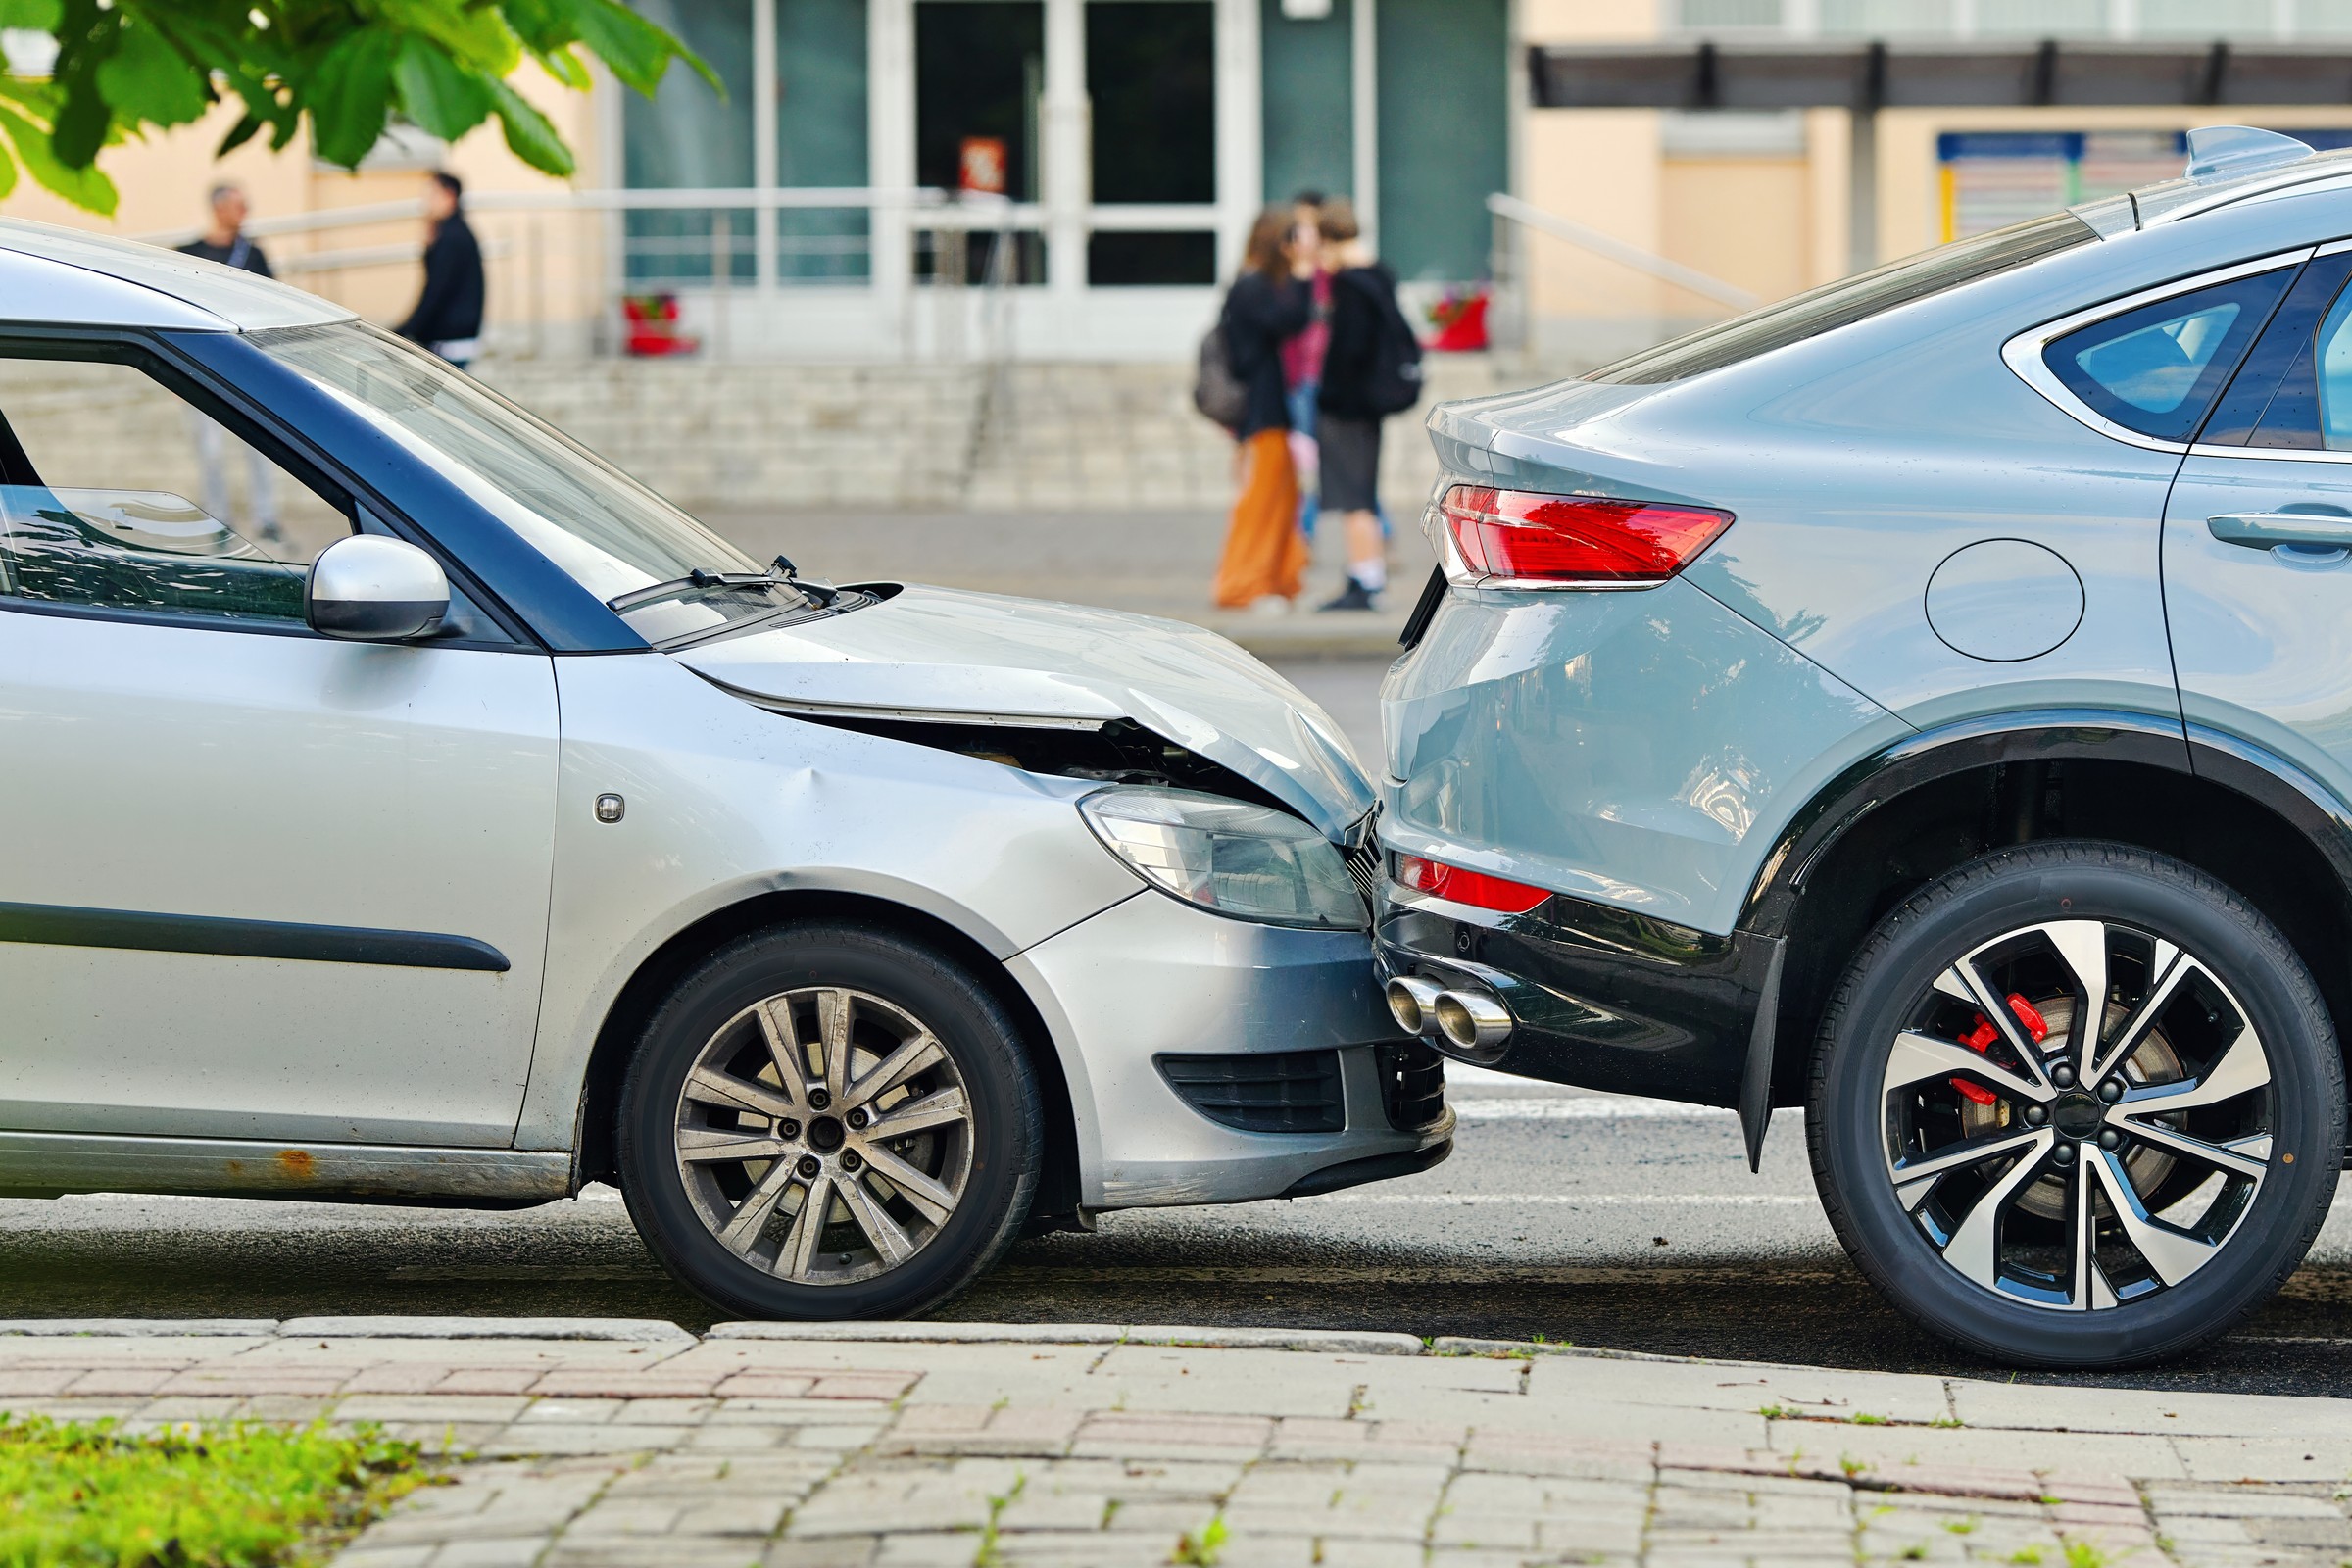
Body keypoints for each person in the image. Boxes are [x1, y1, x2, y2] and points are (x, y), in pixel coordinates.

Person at [1210, 208, 1318, 612]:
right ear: (1280, 242)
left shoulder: (1255, 284)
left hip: (1270, 410)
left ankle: (1278, 580)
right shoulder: (1251, 286)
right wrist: (1305, 275)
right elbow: (1290, 321)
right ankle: (1241, 586)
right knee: (1260, 502)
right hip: (1259, 413)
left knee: (1283, 498)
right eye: (1295, 238)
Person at [176, 185, 280, 542]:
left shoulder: (254, 254)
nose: (244, 212)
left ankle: (266, 518)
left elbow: (272, 303)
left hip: (248, 365)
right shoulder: (191, 255)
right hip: (203, 365)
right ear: (219, 208)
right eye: (239, 205)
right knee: (210, 450)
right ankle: (219, 519)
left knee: (259, 448)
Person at [1313, 198, 1402, 612]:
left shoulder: (1350, 284)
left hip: (1349, 406)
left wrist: (1328, 395)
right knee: (1364, 491)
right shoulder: (1379, 274)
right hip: (1373, 404)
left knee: (1355, 497)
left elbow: (1349, 350)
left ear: (1328, 238)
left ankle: (1366, 579)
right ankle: (1368, 575)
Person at [1280, 190, 1333, 541]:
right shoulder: (1289, 275)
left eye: (1310, 226)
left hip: (1324, 377)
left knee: (1336, 458)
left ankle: (1380, 531)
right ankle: (1303, 534)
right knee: (1304, 462)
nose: (1303, 234)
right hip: (1297, 377)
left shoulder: (1329, 274)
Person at [399, 172, 485, 368]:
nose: (427, 203)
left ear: (449, 196)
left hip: (450, 340)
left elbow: (437, 289)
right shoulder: (455, 231)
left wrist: (408, 330)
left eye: (433, 195)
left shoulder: (452, 237)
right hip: (455, 336)